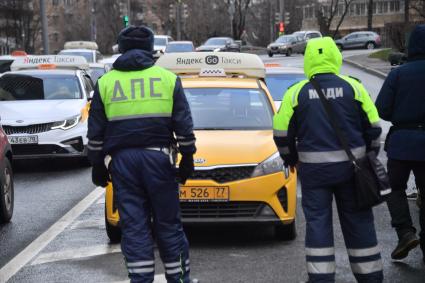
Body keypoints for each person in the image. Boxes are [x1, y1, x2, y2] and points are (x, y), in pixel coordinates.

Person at [87, 26, 196, 283]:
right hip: (159, 160)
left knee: (134, 228)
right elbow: (183, 125)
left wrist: (96, 165)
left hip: (123, 163)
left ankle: (141, 279)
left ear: (121, 49)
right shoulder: (167, 79)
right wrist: (188, 158)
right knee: (168, 226)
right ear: (150, 49)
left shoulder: (106, 83)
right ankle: (179, 279)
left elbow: (95, 134)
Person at [273, 37, 383, 282]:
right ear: (335, 57)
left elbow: (280, 133)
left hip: (313, 174)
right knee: (359, 224)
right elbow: (374, 128)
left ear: (308, 60)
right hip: (352, 173)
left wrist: (291, 159)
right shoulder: (354, 87)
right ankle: (371, 277)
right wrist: (368, 156)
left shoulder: (295, 93)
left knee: (318, 227)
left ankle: (321, 279)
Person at [375, 24, 425, 264]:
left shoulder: (398, 74)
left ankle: (405, 232)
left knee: (394, 188)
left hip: (401, 144)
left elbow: (382, 109)